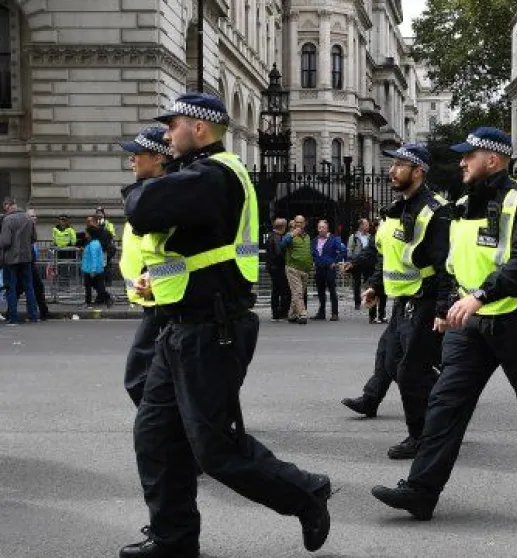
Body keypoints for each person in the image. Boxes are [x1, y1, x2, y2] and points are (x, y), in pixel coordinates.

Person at [121, 93, 332, 557]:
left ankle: (305, 493)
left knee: (214, 448)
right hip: (181, 325)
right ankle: (174, 539)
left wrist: (142, 186)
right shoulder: (198, 175)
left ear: (198, 127)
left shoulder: (212, 175)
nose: (166, 135)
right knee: (156, 436)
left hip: (212, 330)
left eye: (173, 125)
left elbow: (142, 209)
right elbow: (188, 248)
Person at [371, 127, 517, 519]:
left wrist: (481, 295)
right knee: (445, 404)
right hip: (471, 324)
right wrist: (449, 306)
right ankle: (421, 491)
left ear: (492, 160)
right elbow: (453, 264)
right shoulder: (460, 206)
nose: (461, 163)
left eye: (468, 156)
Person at [341, 144, 451, 459]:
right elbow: (384, 254)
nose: (392, 170)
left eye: (401, 165)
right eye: (393, 165)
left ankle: (421, 436)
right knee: (391, 363)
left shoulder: (436, 211)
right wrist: (376, 286)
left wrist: (443, 309)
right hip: (402, 302)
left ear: (419, 171)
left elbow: (446, 265)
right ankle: (446, 410)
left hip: (425, 300)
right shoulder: (394, 209)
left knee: (410, 372)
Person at [118, 126, 173, 406]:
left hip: (162, 295)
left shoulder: (159, 196)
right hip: (153, 294)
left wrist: (153, 276)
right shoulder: (148, 193)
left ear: (158, 158)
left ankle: (160, 422)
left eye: (137, 154)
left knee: (139, 374)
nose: (131, 160)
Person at [0, 198, 40, 324]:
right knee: (29, 287)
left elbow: (5, 241)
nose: (5, 210)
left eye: (5, 207)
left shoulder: (7, 220)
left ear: (9, 205)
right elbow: (34, 238)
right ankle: (33, 315)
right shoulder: (28, 218)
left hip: (11, 259)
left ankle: (13, 317)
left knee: (10, 288)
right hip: (26, 258)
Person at [311, 219, 347, 321]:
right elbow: (313, 253)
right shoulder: (314, 240)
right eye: (319, 227)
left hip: (329, 268)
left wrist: (335, 262)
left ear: (327, 229)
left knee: (332, 291)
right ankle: (321, 313)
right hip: (319, 268)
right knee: (320, 291)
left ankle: (334, 313)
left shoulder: (334, 239)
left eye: (323, 227)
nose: (321, 229)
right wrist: (314, 261)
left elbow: (343, 251)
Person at [282, 215, 314, 324]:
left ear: (304, 224)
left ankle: (292, 314)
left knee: (298, 293)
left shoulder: (307, 237)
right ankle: (302, 314)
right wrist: (291, 235)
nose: (299, 224)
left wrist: (311, 263)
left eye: (301, 222)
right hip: (293, 268)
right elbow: (282, 244)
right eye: (297, 222)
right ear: (294, 223)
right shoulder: (289, 235)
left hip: (305, 270)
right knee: (298, 292)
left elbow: (309, 251)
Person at [23, 209, 50, 320]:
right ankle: (41, 312)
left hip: (31, 263)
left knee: (36, 288)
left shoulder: (32, 229)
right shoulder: (25, 230)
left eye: (35, 216)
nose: (35, 218)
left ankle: (43, 312)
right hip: (26, 263)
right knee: (34, 288)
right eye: (32, 216)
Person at [265, 218, 291, 321]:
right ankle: (282, 313)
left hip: (272, 267)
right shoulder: (277, 237)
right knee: (284, 291)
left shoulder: (271, 236)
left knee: (275, 291)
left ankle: (275, 314)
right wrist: (287, 260)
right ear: (283, 227)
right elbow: (278, 252)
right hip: (278, 268)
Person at [81, 222, 112, 307]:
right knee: (97, 286)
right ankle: (106, 298)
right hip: (93, 268)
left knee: (91, 286)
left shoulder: (93, 244)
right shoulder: (92, 242)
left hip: (91, 269)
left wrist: (93, 270)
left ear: (90, 234)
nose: (85, 234)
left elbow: (94, 258)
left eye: (86, 232)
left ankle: (89, 302)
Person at [347, 218, 372, 309]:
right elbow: (349, 249)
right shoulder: (354, 237)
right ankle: (357, 303)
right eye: (366, 224)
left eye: (368, 225)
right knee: (356, 283)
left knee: (368, 282)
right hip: (356, 263)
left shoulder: (370, 237)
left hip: (367, 263)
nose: (368, 226)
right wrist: (351, 261)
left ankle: (367, 300)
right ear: (361, 226)